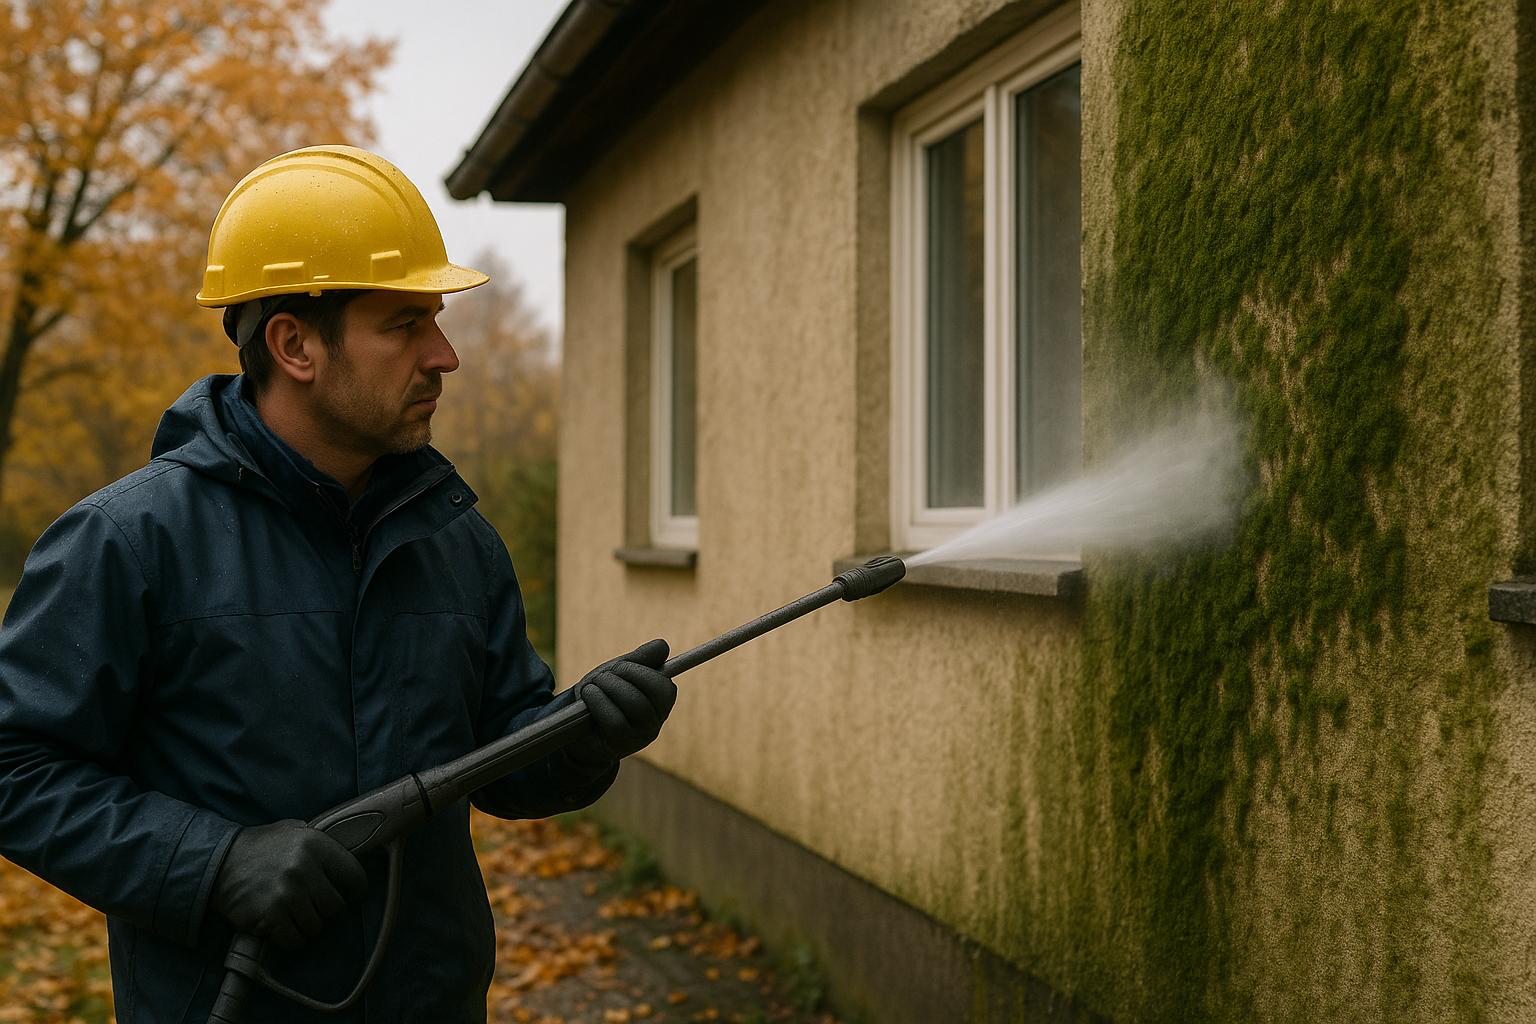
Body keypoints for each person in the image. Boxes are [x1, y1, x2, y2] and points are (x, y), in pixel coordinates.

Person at [0, 146, 676, 1023]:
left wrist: (583, 734)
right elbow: (16, 766)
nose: (445, 356)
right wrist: (211, 862)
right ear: (294, 345)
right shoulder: (128, 541)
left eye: (434, 320)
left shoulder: (456, 539)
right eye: (404, 324)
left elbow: (499, 758)